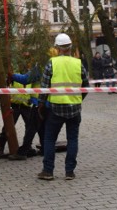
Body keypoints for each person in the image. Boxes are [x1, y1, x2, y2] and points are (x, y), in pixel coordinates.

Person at [37, 33, 89, 181]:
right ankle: (69, 172)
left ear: (57, 47)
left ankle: (48, 171)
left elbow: (44, 86)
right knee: (72, 139)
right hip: (74, 108)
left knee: (49, 139)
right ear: (70, 47)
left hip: (56, 108)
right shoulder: (78, 63)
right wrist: (79, 99)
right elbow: (86, 85)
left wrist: (41, 104)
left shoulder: (51, 63)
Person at [0, 71, 31, 160]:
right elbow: (6, 85)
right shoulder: (13, 73)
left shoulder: (31, 74)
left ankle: (27, 147)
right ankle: (0, 146)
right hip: (15, 105)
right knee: (8, 127)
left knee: (30, 127)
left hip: (26, 105)